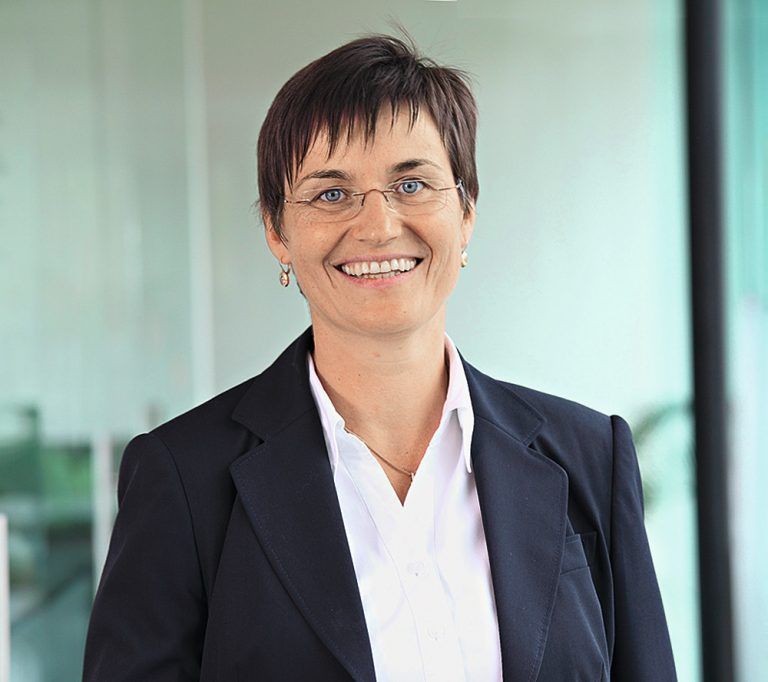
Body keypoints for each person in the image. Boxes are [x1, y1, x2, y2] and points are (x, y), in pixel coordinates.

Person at [83, 35, 677, 681]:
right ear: (277, 233)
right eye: (331, 194)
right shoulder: (182, 479)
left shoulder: (590, 456)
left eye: (411, 184)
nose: (378, 226)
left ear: (466, 211)